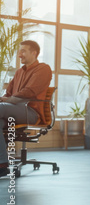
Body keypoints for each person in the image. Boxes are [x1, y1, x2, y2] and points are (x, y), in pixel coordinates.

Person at [0, 40, 52, 177]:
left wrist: (6, 100)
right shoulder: (18, 73)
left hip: (31, 112)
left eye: (23, 51)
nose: (19, 54)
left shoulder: (43, 69)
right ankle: (2, 165)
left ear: (34, 53)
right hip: (13, 110)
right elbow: (8, 94)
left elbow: (29, 91)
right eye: (19, 51)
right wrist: (5, 99)